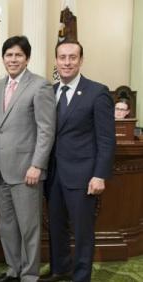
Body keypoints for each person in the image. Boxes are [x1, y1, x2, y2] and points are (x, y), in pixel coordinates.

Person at [40, 40, 116, 282]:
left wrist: (100, 174)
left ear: (81, 60)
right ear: (56, 60)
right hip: (53, 176)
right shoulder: (49, 92)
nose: (67, 62)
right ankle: (60, 270)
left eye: (72, 57)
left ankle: (81, 276)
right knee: (56, 228)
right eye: (62, 57)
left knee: (83, 232)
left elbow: (106, 139)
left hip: (84, 176)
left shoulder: (97, 91)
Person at [0, 36, 56, 282]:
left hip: (27, 170)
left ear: (27, 58)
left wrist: (37, 165)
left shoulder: (40, 86)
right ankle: (13, 270)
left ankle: (29, 275)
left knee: (29, 228)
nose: (13, 59)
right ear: (3, 58)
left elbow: (46, 130)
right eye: (8, 55)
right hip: (2, 172)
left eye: (18, 55)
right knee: (7, 226)